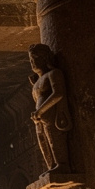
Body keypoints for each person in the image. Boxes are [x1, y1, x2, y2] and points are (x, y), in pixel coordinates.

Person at [28, 44, 71, 172]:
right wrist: (37, 115)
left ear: (45, 58)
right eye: (30, 59)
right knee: (44, 142)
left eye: (35, 58)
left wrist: (40, 111)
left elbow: (58, 93)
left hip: (50, 114)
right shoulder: (35, 83)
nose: (32, 62)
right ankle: (51, 166)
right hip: (40, 117)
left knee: (55, 140)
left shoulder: (53, 74)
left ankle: (62, 164)